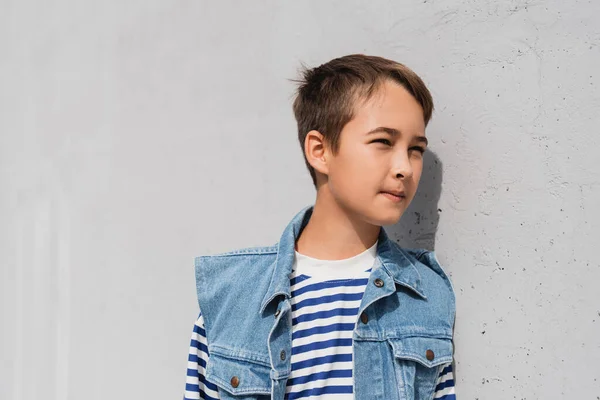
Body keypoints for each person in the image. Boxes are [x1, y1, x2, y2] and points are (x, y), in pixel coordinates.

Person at [183, 54, 456, 400]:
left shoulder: (427, 294)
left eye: (415, 149)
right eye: (383, 142)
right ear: (320, 150)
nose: (405, 167)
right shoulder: (233, 298)